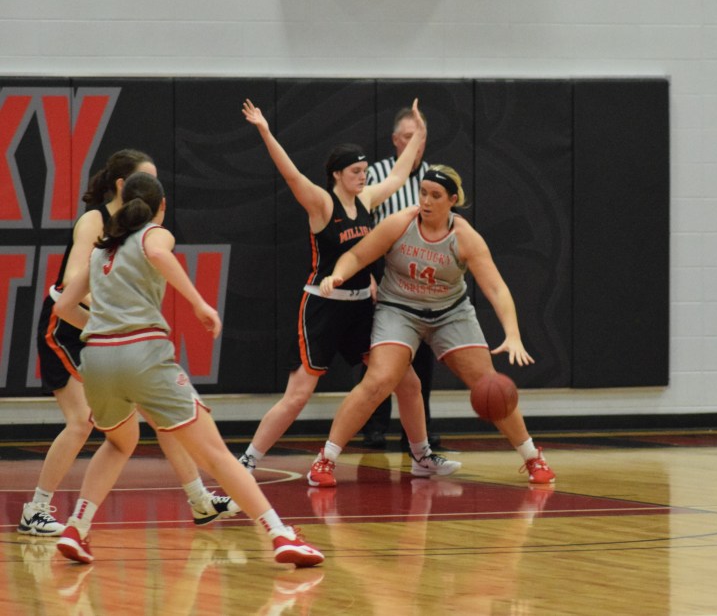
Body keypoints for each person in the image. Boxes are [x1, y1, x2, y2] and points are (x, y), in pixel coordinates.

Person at [52, 172, 323, 566]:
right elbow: (159, 254)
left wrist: (103, 327)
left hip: (97, 360)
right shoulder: (154, 233)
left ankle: (77, 528)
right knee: (216, 454)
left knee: (119, 443)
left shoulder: (100, 251)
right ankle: (280, 534)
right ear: (161, 206)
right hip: (142, 354)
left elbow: (62, 307)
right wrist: (198, 303)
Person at [19, 150, 239, 537]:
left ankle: (199, 500)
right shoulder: (95, 220)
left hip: (109, 332)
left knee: (161, 417)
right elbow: (71, 280)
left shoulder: (137, 232)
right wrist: (112, 312)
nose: (153, 188)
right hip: (66, 324)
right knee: (81, 421)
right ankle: (35, 509)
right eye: (146, 179)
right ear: (123, 185)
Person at [235, 98, 457, 481]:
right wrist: (265, 131)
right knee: (298, 395)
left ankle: (421, 456)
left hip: (360, 308)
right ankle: (247, 461)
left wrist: (420, 133)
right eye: (356, 172)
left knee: (408, 381)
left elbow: (399, 175)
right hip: (323, 307)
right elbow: (291, 175)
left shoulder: (366, 200)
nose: (363, 177)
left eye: (365, 171)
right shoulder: (322, 204)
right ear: (337, 174)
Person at [313, 165, 556, 485]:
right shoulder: (400, 223)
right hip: (399, 309)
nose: (426, 201)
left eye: (435, 195)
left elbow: (497, 288)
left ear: (452, 200)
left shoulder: (465, 237)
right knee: (378, 380)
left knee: (490, 385)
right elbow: (356, 256)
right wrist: (338, 275)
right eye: (423, 193)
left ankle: (532, 457)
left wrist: (512, 334)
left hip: (449, 313)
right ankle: (326, 459)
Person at [361, 106, 439, 451]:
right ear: (395, 140)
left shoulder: (435, 178)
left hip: (424, 272)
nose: (415, 144)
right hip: (384, 269)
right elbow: (360, 229)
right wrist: (367, 275)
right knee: (380, 353)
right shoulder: (376, 175)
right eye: (408, 137)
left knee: (422, 357)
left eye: (420, 137)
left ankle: (419, 432)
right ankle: (374, 427)